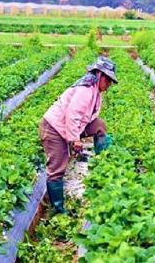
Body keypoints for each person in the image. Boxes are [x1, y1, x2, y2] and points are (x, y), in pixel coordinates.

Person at [39, 57, 117, 214]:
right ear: (100, 75)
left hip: (68, 126)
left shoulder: (96, 91)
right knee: (57, 167)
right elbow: (72, 116)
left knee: (99, 125)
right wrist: (74, 140)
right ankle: (58, 209)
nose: (109, 85)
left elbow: (89, 118)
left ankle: (104, 164)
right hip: (54, 129)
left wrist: (79, 138)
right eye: (108, 80)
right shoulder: (86, 90)